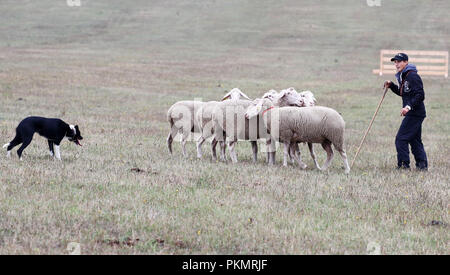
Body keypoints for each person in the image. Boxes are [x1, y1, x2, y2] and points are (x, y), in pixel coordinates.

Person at [384, 53, 428, 170]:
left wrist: (408, 107)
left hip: (415, 113)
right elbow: (404, 93)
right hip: (414, 113)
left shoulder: (412, 76)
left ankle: (403, 166)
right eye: (395, 62)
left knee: (401, 139)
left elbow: (420, 95)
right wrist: (392, 85)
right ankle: (422, 165)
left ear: (406, 62)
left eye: (399, 61)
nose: (396, 64)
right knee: (414, 140)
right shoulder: (403, 76)